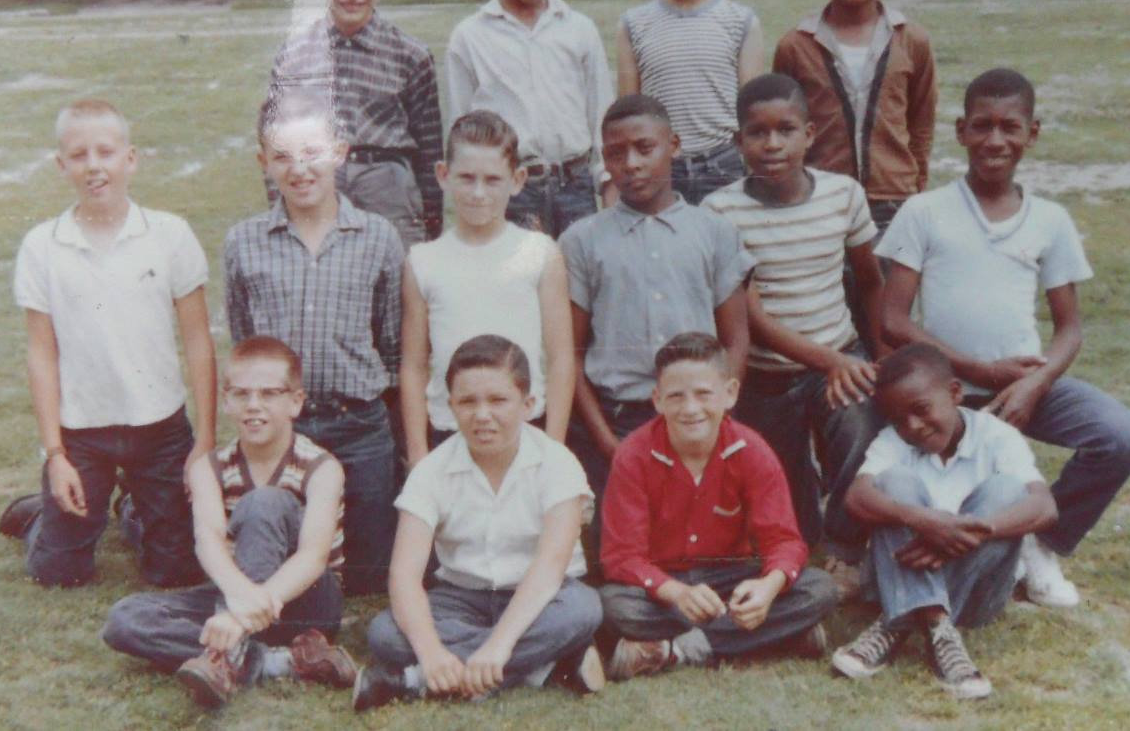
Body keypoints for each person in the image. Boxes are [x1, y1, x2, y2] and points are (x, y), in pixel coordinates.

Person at [876, 68, 1130, 607]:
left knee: (1123, 435)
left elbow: (1069, 327)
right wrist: (977, 372)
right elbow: (893, 321)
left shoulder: (1050, 219)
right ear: (960, 131)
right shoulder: (925, 211)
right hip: (945, 391)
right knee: (893, 464)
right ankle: (876, 554)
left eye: (1010, 127)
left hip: (1021, 387)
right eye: (981, 126)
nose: (994, 140)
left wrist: (1037, 381)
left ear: (1033, 132)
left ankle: (1042, 543)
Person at [0, 99, 215, 589]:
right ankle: (42, 518)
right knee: (58, 572)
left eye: (106, 152)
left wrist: (202, 441)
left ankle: (134, 509)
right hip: (83, 433)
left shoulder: (169, 234)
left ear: (130, 158)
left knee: (176, 571)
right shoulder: (43, 246)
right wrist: (55, 453)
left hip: (160, 428)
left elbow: (199, 341)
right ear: (62, 165)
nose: (94, 166)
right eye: (79, 155)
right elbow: (41, 352)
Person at [703, 73, 884, 594]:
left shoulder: (843, 196)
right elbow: (751, 317)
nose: (772, 144)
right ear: (738, 142)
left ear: (811, 133)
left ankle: (847, 547)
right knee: (783, 487)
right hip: (767, 373)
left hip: (840, 358)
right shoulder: (721, 211)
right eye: (757, 133)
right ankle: (805, 539)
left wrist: (875, 357)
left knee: (859, 433)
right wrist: (830, 361)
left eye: (786, 130)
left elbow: (869, 281)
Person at [102, 337, 355, 709]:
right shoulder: (210, 467)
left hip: (306, 601)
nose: (254, 406)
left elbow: (313, 558)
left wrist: (236, 617)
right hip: (238, 592)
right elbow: (209, 542)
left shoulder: (321, 467)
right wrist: (239, 601)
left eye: (270, 394)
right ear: (226, 400)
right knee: (125, 619)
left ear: (295, 402)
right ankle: (281, 662)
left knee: (264, 502)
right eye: (242, 394)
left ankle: (227, 656)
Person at [354, 335, 604, 709]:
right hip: (461, 598)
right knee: (386, 632)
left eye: (498, 400)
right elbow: (404, 577)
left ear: (528, 404)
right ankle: (542, 669)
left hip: (542, 596)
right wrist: (433, 652)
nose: (482, 415)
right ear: (450, 405)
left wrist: (499, 646)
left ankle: (414, 680)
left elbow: (549, 569)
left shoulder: (557, 463)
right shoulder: (432, 471)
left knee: (583, 610)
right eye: (468, 401)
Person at [224, 92, 405, 595]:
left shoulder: (379, 238)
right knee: (273, 549)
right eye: (282, 156)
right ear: (264, 162)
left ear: (340, 152)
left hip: (359, 424)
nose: (299, 169)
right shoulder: (244, 242)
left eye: (312, 153)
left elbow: (391, 341)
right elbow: (247, 340)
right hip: (284, 426)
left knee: (367, 576)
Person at [599, 333, 836, 680]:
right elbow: (621, 557)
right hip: (665, 585)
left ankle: (673, 651)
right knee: (611, 605)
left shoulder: (751, 450)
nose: (691, 408)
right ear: (657, 400)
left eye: (703, 394)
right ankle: (779, 635)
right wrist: (677, 593)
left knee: (819, 588)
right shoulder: (634, 455)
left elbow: (784, 540)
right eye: (676, 396)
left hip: (730, 578)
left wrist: (767, 588)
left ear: (730, 394)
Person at [560, 94, 754, 508]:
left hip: (700, 413)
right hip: (619, 417)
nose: (630, 164)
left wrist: (720, 415)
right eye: (615, 153)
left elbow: (736, 339)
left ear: (674, 146)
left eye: (644, 148)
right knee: (623, 554)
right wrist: (609, 444)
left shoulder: (714, 232)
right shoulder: (582, 240)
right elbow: (569, 352)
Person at [832, 344, 1058, 700]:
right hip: (895, 578)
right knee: (892, 485)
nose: (913, 426)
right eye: (899, 418)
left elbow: (1044, 508)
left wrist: (974, 531)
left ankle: (899, 621)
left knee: (1006, 490)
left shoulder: (997, 436)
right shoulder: (893, 442)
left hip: (976, 593)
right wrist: (924, 521)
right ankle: (937, 625)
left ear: (955, 392)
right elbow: (856, 498)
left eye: (921, 410)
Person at [400, 110, 574, 467]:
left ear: (517, 180)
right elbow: (414, 366)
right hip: (450, 433)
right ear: (443, 176)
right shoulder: (423, 260)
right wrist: (419, 454)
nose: (479, 193)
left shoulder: (539, 254)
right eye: (466, 178)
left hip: (526, 431)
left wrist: (553, 448)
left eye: (492, 180)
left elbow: (560, 358)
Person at [268, 0, 443, 246]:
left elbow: (430, 149)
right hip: (316, 185)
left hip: (388, 189)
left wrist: (431, 223)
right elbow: (275, 139)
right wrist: (279, 205)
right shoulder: (294, 55)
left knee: (395, 289)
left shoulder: (411, 55)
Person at [446, 0, 615, 236]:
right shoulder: (469, 38)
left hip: (576, 188)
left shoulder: (578, 28)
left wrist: (608, 183)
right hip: (511, 193)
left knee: (577, 285)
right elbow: (459, 131)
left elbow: (602, 116)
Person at [772, 0, 936, 238]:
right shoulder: (795, 46)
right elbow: (784, 125)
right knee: (827, 289)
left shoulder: (912, 40)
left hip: (894, 200)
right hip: (821, 198)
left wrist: (913, 183)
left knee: (892, 288)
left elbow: (921, 121)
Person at [617, 0, 766, 204]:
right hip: (661, 170)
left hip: (724, 168)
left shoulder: (742, 23)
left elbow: (753, 118)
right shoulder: (633, 26)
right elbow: (629, 118)